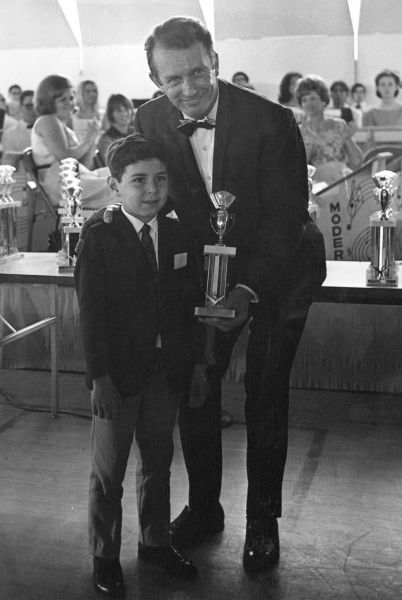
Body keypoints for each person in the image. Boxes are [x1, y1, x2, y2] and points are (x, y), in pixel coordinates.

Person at [79, 16, 326, 574]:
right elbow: (148, 192)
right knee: (195, 386)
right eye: (173, 79)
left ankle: (262, 522)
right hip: (203, 272)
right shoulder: (149, 118)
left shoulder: (272, 119)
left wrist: (247, 288)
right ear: (154, 79)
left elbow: (286, 217)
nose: (188, 88)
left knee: (265, 391)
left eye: (197, 72)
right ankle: (204, 508)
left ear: (214, 60)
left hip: (279, 269)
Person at [75, 133, 210, 596]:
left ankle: (155, 542)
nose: (152, 190)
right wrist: (100, 379)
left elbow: (189, 308)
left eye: (160, 179)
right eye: (138, 181)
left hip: (164, 371)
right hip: (117, 376)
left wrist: (196, 366)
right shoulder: (100, 236)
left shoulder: (178, 233)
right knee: (109, 471)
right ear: (115, 186)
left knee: (158, 460)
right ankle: (104, 555)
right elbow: (91, 317)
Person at [31, 74, 113, 208]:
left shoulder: (62, 125)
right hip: (61, 182)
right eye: (62, 99)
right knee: (125, 185)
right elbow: (65, 158)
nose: (69, 103)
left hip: (76, 177)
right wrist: (87, 141)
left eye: (71, 98)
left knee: (124, 173)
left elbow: (86, 165)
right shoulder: (48, 120)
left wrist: (92, 140)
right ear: (48, 102)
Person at [297, 75, 363, 184]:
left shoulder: (339, 125)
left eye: (312, 98)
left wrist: (347, 136)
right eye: (304, 100)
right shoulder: (299, 131)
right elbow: (298, 169)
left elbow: (357, 161)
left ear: (323, 100)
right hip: (317, 184)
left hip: (342, 180)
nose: (309, 103)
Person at [97, 94, 135, 165]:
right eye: (119, 110)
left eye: (127, 109)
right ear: (111, 113)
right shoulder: (106, 140)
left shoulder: (136, 132)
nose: (124, 113)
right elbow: (112, 166)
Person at [2, 90, 37, 166]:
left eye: (37, 105)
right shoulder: (9, 135)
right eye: (29, 106)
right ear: (20, 107)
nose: (34, 109)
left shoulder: (52, 130)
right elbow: (9, 165)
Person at [72, 79, 103, 144]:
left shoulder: (102, 116)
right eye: (87, 91)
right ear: (80, 93)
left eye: (94, 91)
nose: (91, 94)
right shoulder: (72, 117)